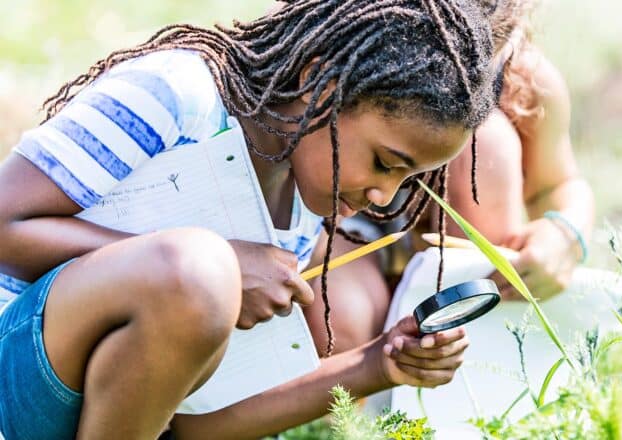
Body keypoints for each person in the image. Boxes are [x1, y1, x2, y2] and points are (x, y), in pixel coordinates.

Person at [0, 1, 498, 438]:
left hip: (89, 415)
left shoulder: (300, 212)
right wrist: (219, 268)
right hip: (16, 370)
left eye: (408, 180)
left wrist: (379, 363)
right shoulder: (181, 93)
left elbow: (193, 424)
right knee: (197, 269)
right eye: (385, 163)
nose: (382, 195)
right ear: (320, 86)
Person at [304, 0, 595, 355]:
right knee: (340, 319)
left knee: (487, 145)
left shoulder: (524, 78)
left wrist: (564, 235)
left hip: (454, 238)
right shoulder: (345, 35)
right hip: (346, 223)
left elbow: (559, 184)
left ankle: (471, 351)